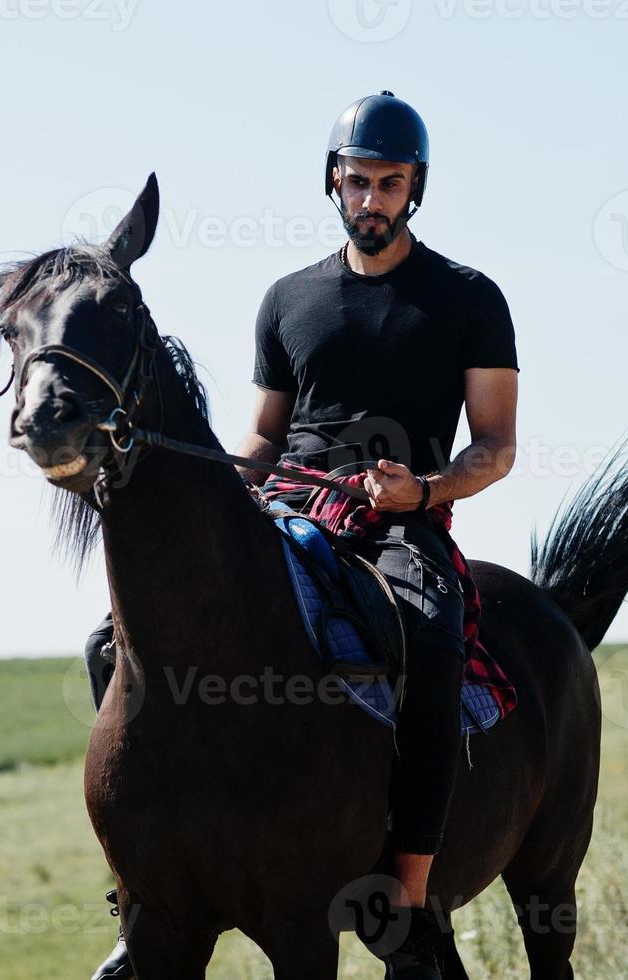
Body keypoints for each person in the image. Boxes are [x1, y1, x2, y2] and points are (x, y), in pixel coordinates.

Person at [86, 91, 519, 980]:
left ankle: (405, 894)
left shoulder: (467, 299)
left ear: (414, 189)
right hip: (289, 506)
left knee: (430, 635)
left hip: (401, 518)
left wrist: (425, 487)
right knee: (109, 643)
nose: (371, 199)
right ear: (332, 182)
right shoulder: (288, 299)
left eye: (388, 183)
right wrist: (223, 488)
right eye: (356, 180)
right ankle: (142, 898)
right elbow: (263, 438)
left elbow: (496, 445)